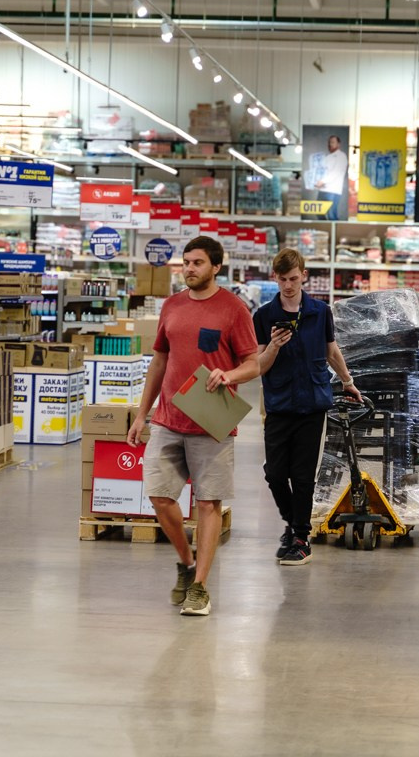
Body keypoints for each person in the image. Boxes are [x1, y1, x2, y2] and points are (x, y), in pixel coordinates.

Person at [126, 235, 259, 617]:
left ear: (216, 267)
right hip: (168, 418)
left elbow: (254, 363)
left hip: (212, 422)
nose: (189, 269)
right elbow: (159, 363)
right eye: (186, 262)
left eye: (197, 263)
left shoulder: (234, 310)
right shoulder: (172, 305)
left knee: (207, 502)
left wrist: (228, 372)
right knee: (159, 495)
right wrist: (141, 414)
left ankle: (200, 586)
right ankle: (186, 563)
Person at [253, 248, 361, 566]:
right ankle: (294, 525)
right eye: (282, 279)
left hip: (313, 404)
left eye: (293, 278)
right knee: (274, 474)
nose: (288, 285)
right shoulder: (263, 316)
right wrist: (273, 346)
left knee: (302, 477)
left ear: (304, 275)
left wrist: (347, 381)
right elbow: (258, 365)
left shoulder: (319, 312)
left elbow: (330, 349)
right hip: (278, 404)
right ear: (275, 278)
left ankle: (300, 537)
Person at [313, 134, 349, 221]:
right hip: (323, 190)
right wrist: (317, 181)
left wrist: (322, 181)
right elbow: (322, 172)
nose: (330, 144)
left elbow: (335, 172)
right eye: (329, 142)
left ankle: (335, 234)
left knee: (331, 214)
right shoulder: (327, 157)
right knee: (319, 213)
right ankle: (326, 233)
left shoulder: (341, 156)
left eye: (333, 142)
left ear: (338, 144)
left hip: (333, 190)